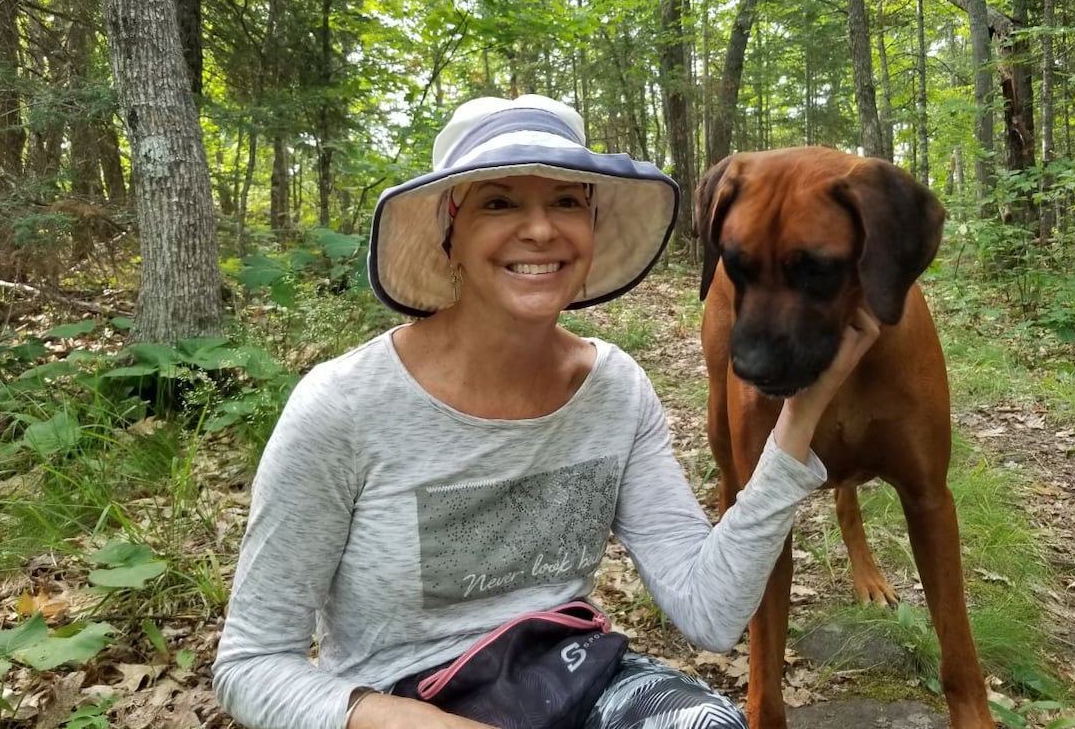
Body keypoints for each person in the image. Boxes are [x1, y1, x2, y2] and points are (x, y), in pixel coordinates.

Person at [212, 94, 881, 729]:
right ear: (451, 232)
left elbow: (710, 611)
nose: (538, 229)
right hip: (395, 701)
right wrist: (393, 717)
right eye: (499, 202)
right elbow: (249, 663)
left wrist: (801, 413)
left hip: (570, 675)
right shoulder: (344, 406)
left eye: (565, 200)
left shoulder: (614, 390)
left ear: (590, 226)